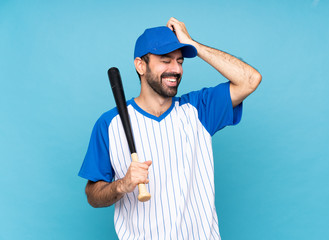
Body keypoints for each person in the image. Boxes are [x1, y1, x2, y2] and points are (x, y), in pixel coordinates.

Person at [78, 17, 261, 239]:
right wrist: (122, 185)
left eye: (180, 61)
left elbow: (250, 79)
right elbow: (93, 195)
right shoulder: (109, 124)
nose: (176, 69)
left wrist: (193, 44)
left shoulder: (199, 109)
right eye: (166, 60)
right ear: (140, 65)